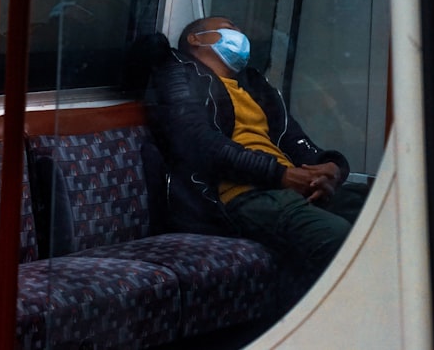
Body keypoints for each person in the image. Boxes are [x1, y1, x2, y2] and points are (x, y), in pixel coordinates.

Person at [145, 15, 363, 289]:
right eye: (229, 28)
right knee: (336, 235)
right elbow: (198, 142)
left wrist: (331, 168)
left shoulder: (253, 84)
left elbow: (294, 140)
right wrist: (280, 175)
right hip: (239, 195)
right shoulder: (180, 72)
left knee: (383, 213)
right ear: (196, 39)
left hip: (284, 184)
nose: (239, 33)